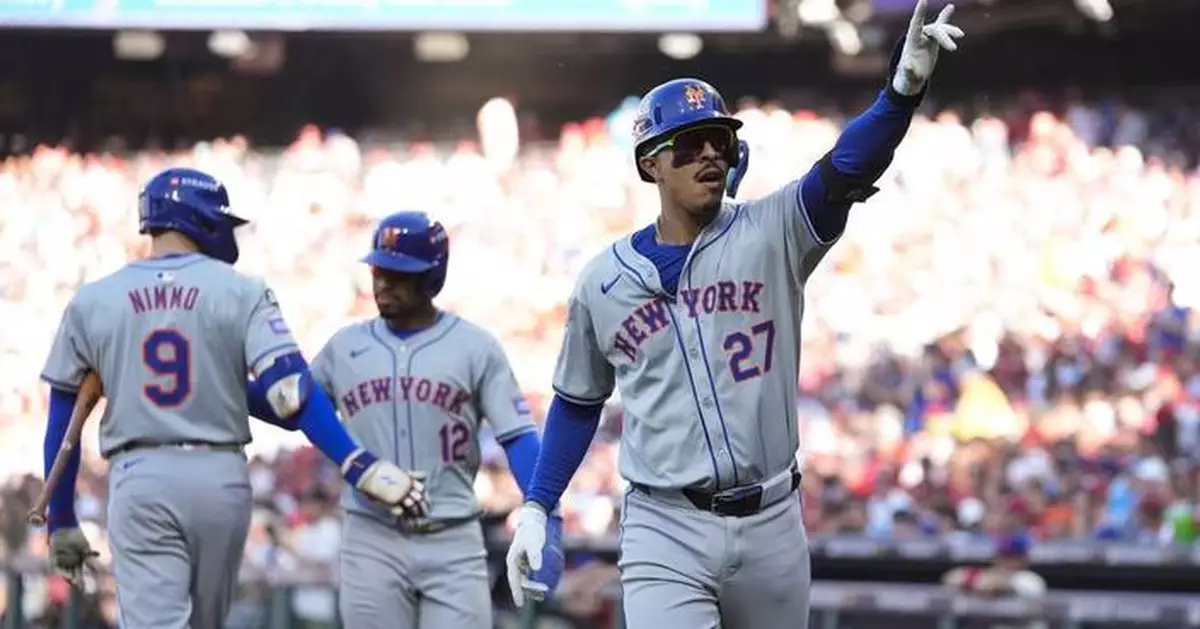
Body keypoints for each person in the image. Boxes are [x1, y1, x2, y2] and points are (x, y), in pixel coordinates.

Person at [505, 2, 965, 627]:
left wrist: (900, 93)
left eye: (720, 141)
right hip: (664, 526)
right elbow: (579, 402)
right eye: (689, 144)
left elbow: (844, 170)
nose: (709, 155)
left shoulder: (771, 231)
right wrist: (538, 505)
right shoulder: (604, 281)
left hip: (773, 521)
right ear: (650, 164)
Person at [39, 167, 427, 629]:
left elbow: (62, 427)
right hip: (220, 476)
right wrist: (356, 461)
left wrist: (61, 519)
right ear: (201, 219)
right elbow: (289, 396)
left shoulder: (92, 300)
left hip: (140, 475)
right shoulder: (242, 290)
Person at [285, 211, 561, 628]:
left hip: (452, 536)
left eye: (397, 274)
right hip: (371, 535)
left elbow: (519, 438)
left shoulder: (475, 346)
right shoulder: (345, 346)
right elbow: (292, 409)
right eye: (378, 271)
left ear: (431, 276)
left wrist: (548, 517)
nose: (381, 283)